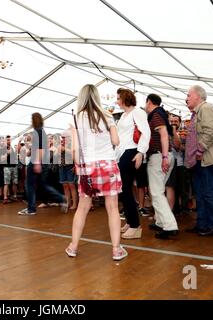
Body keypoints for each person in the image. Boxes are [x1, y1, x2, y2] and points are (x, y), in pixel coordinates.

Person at [65, 84, 127, 261]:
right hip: (108, 164)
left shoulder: (77, 118)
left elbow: (76, 153)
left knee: (82, 208)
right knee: (112, 207)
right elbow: (116, 140)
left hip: (88, 167)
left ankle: (73, 247)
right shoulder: (107, 116)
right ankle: (116, 249)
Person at [184, 85, 213, 236]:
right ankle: (203, 223)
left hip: (205, 159)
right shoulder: (197, 112)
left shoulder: (205, 108)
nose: (186, 98)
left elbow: (209, 131)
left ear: (197, 96)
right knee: (200, 194)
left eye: (189, 95)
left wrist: (200, 150)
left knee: (208, 193)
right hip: (199, 160)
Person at [116, 88, 151, 240]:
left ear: (124, 99)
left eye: (118, 98)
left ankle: (136, 225)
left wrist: (140, 152)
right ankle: (131, 221)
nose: (116, 101)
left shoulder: (138, 112)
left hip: (131, 152)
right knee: (123, 189)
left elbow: (146, 132)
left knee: (126, 189)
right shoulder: (124, 115)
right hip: (122, 153)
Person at [18, 113, 67, 215]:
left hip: (37, 161)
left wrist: (36, 163)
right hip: (43, 162)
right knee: (42, 185)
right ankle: (61, 198)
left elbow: (40, 149)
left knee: (30, 185)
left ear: (33, 120)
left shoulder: (38, 132)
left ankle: (31, 209)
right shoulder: (41, 132)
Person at [145, 94, 179, 239]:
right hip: (165, 155)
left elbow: (164, 135)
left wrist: (164, 157)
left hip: (159, 156)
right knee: (158, 191)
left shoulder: (156, 115)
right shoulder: (162, 114)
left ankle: (170, 226)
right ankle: (160, 221)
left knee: (156, 192)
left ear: (149, 102)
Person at [58, 130, 78, 211]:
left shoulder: (72, 144)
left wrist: (64, 148)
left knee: (71, 185)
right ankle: (67, 203)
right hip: (61, 167)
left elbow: (74, 154)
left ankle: (75, 204)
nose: (62, 139)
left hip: (70, 166)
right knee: (65, 186)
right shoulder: (60, 144)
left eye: (64, 137)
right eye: (62, 137)